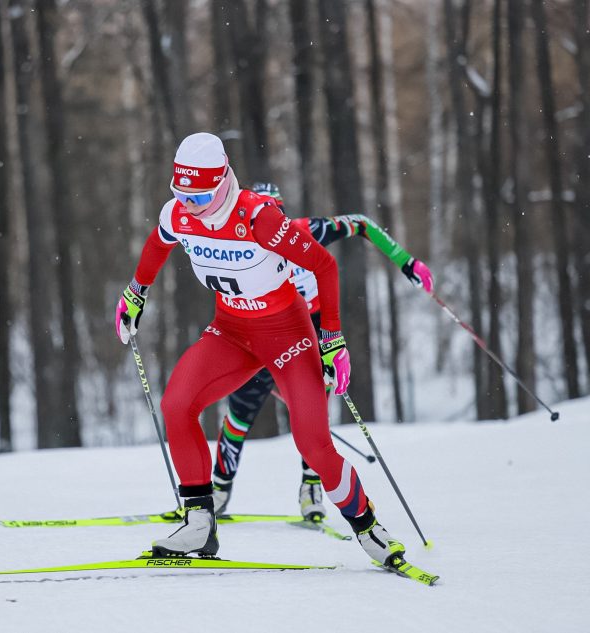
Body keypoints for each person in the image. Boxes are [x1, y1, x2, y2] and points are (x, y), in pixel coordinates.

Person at [114, 132, 404, 566]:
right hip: (230, 331)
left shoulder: (258, 218)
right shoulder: (179, 214)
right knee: (177, 404)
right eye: (181, 194)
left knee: (313, 443)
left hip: (287, 333)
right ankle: (199, 525)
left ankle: (367, 528)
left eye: (199, 196)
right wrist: (136, 293)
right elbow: (158, 244)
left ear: (222, 183)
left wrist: (333, 339)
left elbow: (323, 265)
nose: (189, 206)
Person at [211, 182, 435, 521]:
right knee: (240, 414)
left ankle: (310, 487)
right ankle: (218, 491)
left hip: (305, 336)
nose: (271, 230)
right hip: (259, 339)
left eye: (276, 217)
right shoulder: (240, 244)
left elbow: (361, 222)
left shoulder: (307, 231)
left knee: (312, 413)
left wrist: (406, 262)